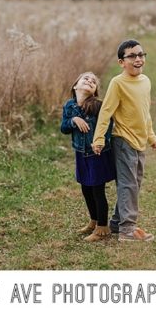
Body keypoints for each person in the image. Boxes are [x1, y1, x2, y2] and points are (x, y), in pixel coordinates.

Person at [91, 39, 156, 242]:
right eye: (132, 56)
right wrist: (99, 138)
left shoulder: (145, 81)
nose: (138, 59)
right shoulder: (118, 83)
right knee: (128, 184)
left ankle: (116, 222)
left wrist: (151, 136)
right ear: (122, 62)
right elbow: (106, 112)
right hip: (123, 140)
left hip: (139, 141)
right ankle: (127, 229)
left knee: (134, 183)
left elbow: (145, 113)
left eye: (141, 55)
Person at [60, 72, 116, 242]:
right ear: (75, 86)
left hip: (96, 153)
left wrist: (101, 143)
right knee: (85, 188)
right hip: (81, 153)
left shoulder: (97, 106)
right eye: (86, 79)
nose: (90, 81)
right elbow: (64, 128)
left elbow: (107, 126)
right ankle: (93, 221)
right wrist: (74, 120)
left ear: (94, 92)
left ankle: (102, 228)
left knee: (97, 190)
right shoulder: (69, 106)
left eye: (93, 82)